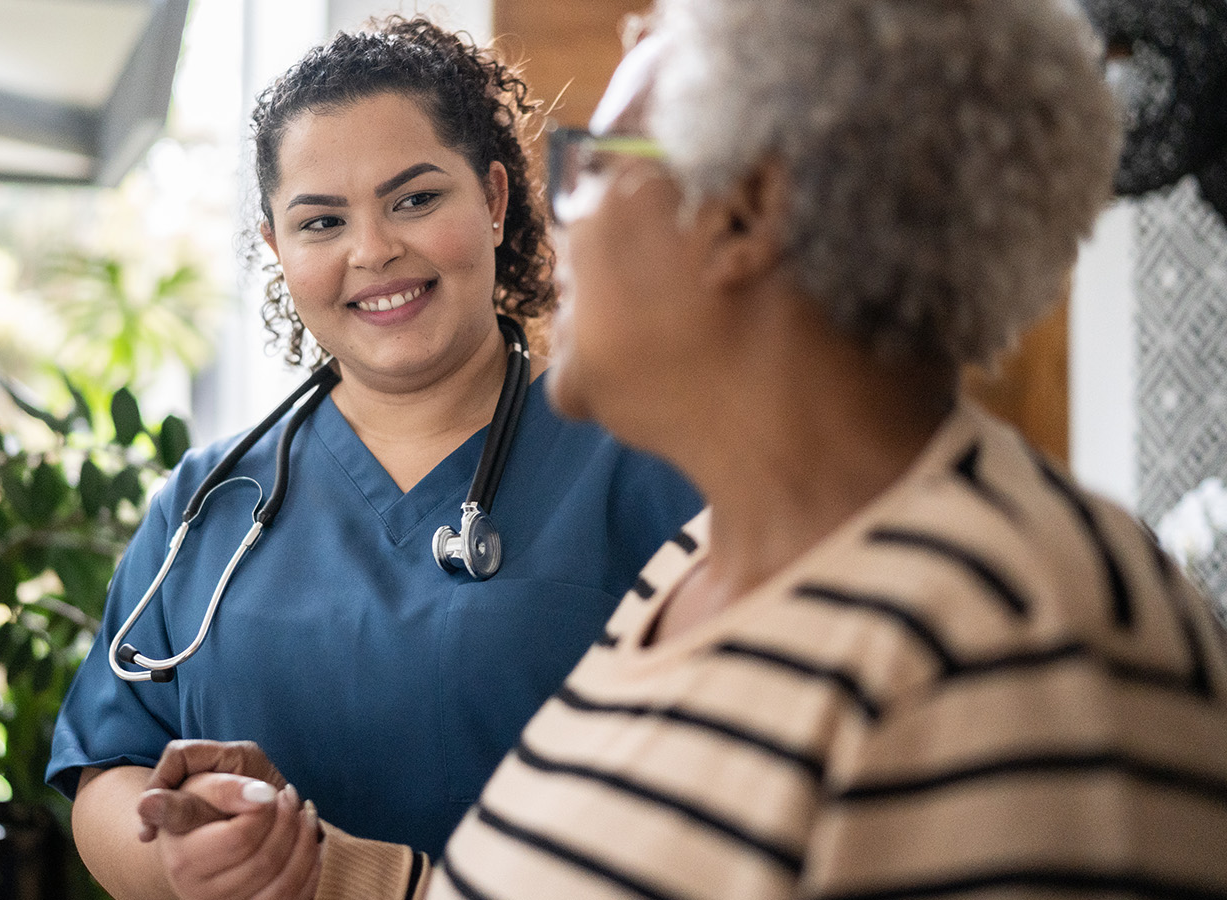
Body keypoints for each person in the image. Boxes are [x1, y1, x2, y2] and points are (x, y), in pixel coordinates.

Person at [143, 0, 1227, 897]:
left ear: (742, 215)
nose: (557, 226)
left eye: (594, 165)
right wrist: (331, 868)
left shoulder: (1016, 630)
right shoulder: (693, 574)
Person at [44, 15, 703, 900]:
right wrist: (183, 854)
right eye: (321, 221)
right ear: (277, 250)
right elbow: (109, 769)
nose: (373, 250)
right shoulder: (207, 502)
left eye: (416, 199)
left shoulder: (648, 469)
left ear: (496, 199)